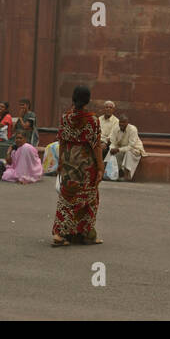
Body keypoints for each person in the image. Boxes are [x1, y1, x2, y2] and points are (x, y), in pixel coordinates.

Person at [51, 86, 105, 246]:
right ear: (88, 99)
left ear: (73, 98)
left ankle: (61, 233)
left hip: (69, 163)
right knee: (90, 198)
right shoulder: (92, 119)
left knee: (67, 197)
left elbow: (62, 141)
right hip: (86, 166)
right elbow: (96, 145)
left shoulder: (65, 117)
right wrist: (101, 167)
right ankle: (86, 234)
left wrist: (60, 162)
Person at [105, 114, 146, 181]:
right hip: (120, 148)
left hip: (134, 149)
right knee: (110, 152)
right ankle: (108, 173)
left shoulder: (133, 129)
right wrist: (112, 148)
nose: (121, 124)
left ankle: (127, 176)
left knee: (128, 153)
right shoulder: (116, 128)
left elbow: (131, 146)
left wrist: (118, 149)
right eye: (120, 122)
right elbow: (112, 141)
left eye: (124, 122)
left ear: (127, 122)